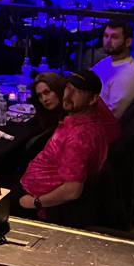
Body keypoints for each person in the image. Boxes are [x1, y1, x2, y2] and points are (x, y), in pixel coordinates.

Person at [16, 69, 120, 221]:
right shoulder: (78, 118)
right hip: (34, 187)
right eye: (68, 88)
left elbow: (72, 191)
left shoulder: (79, 137)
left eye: (77, 91)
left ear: (92, 99)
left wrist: (35, 202)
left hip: (38, 202)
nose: (68, 95)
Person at [93, 19, 134, 120]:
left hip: (101, 124)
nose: (108, 41)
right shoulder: (108, 60)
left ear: (128, 42)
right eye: (106, 36)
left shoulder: (129, 73)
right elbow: (87, 80)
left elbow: (111, 116)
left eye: (114, 37)